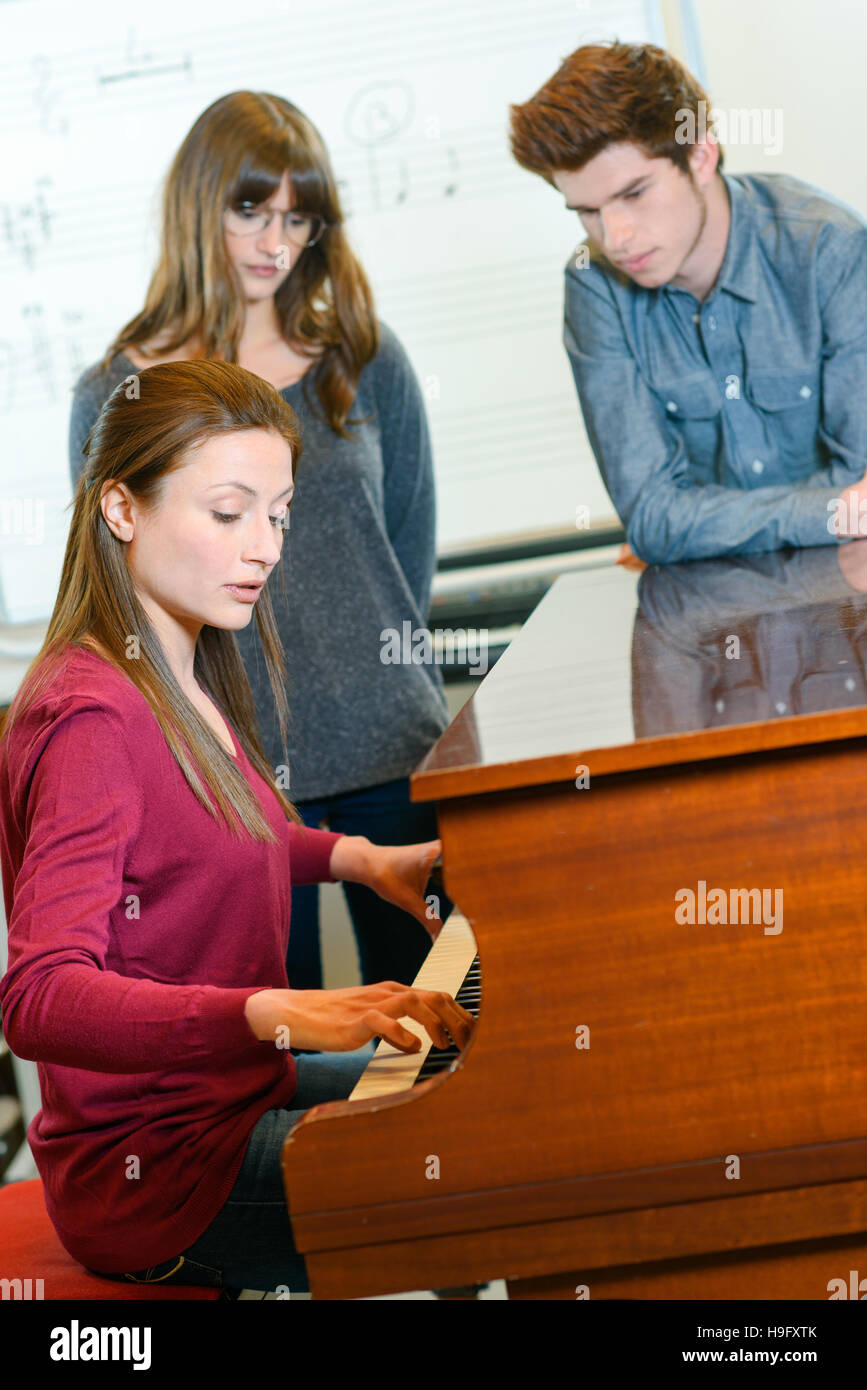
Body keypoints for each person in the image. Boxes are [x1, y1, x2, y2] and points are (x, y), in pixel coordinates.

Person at [0, 361, 473, 1294]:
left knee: (486, 1097)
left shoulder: (182, 667)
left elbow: (209, 834)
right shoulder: (92, 719)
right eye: (228, 514)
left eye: (279, 514)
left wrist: (359, 859)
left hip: (242, 1092)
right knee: (487, 1177)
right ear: (122, 510)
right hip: (165, 1173)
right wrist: (273, 1009)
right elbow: (39, 998)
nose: (265, 548)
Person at [68, 90, 452, 994]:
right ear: (199, 205)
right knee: (276, 1044)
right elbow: (119, 588)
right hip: (222, 768)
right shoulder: (116, 393)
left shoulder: (364, 355)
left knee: (438, 1023)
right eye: (250, 210)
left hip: (391, 746)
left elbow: (408, 546)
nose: (275, 242)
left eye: (297, 217)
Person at [508, 41, 867, 565]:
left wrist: (699, 523)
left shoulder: (829, 249)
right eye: (587, 211)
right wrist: (825, 510)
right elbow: (652, 518)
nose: (616, 237)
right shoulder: (594, 284)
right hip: (709, 618)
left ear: (700, 155)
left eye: (634, 194)